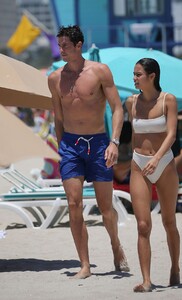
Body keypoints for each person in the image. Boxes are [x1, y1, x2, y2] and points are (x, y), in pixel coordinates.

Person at [47, 25, 129, 279]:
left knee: (106, 208)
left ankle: (115, 245)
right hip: (71, 146)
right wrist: (62, 148)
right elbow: (58, 117)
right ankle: (85, 264)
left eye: (65, 46)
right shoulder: (55, 78)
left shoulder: (100, 72)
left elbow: (117, 109)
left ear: (79, 45)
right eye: (59, 45)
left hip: (99, 144)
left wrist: (114, 142)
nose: (61, 50)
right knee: (74, 204)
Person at [125, 58, 180, 292]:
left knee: (169, 221)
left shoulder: (168, 100)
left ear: (152, 76)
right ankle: (147, 280)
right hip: (139, 164)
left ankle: (175, 267)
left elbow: (172, 135)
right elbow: (133, 135)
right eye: (134, 74)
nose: (134, 78)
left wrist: (157, 158)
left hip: (164, 163)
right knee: (142, 225)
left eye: (138, 74)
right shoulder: (131, 102)